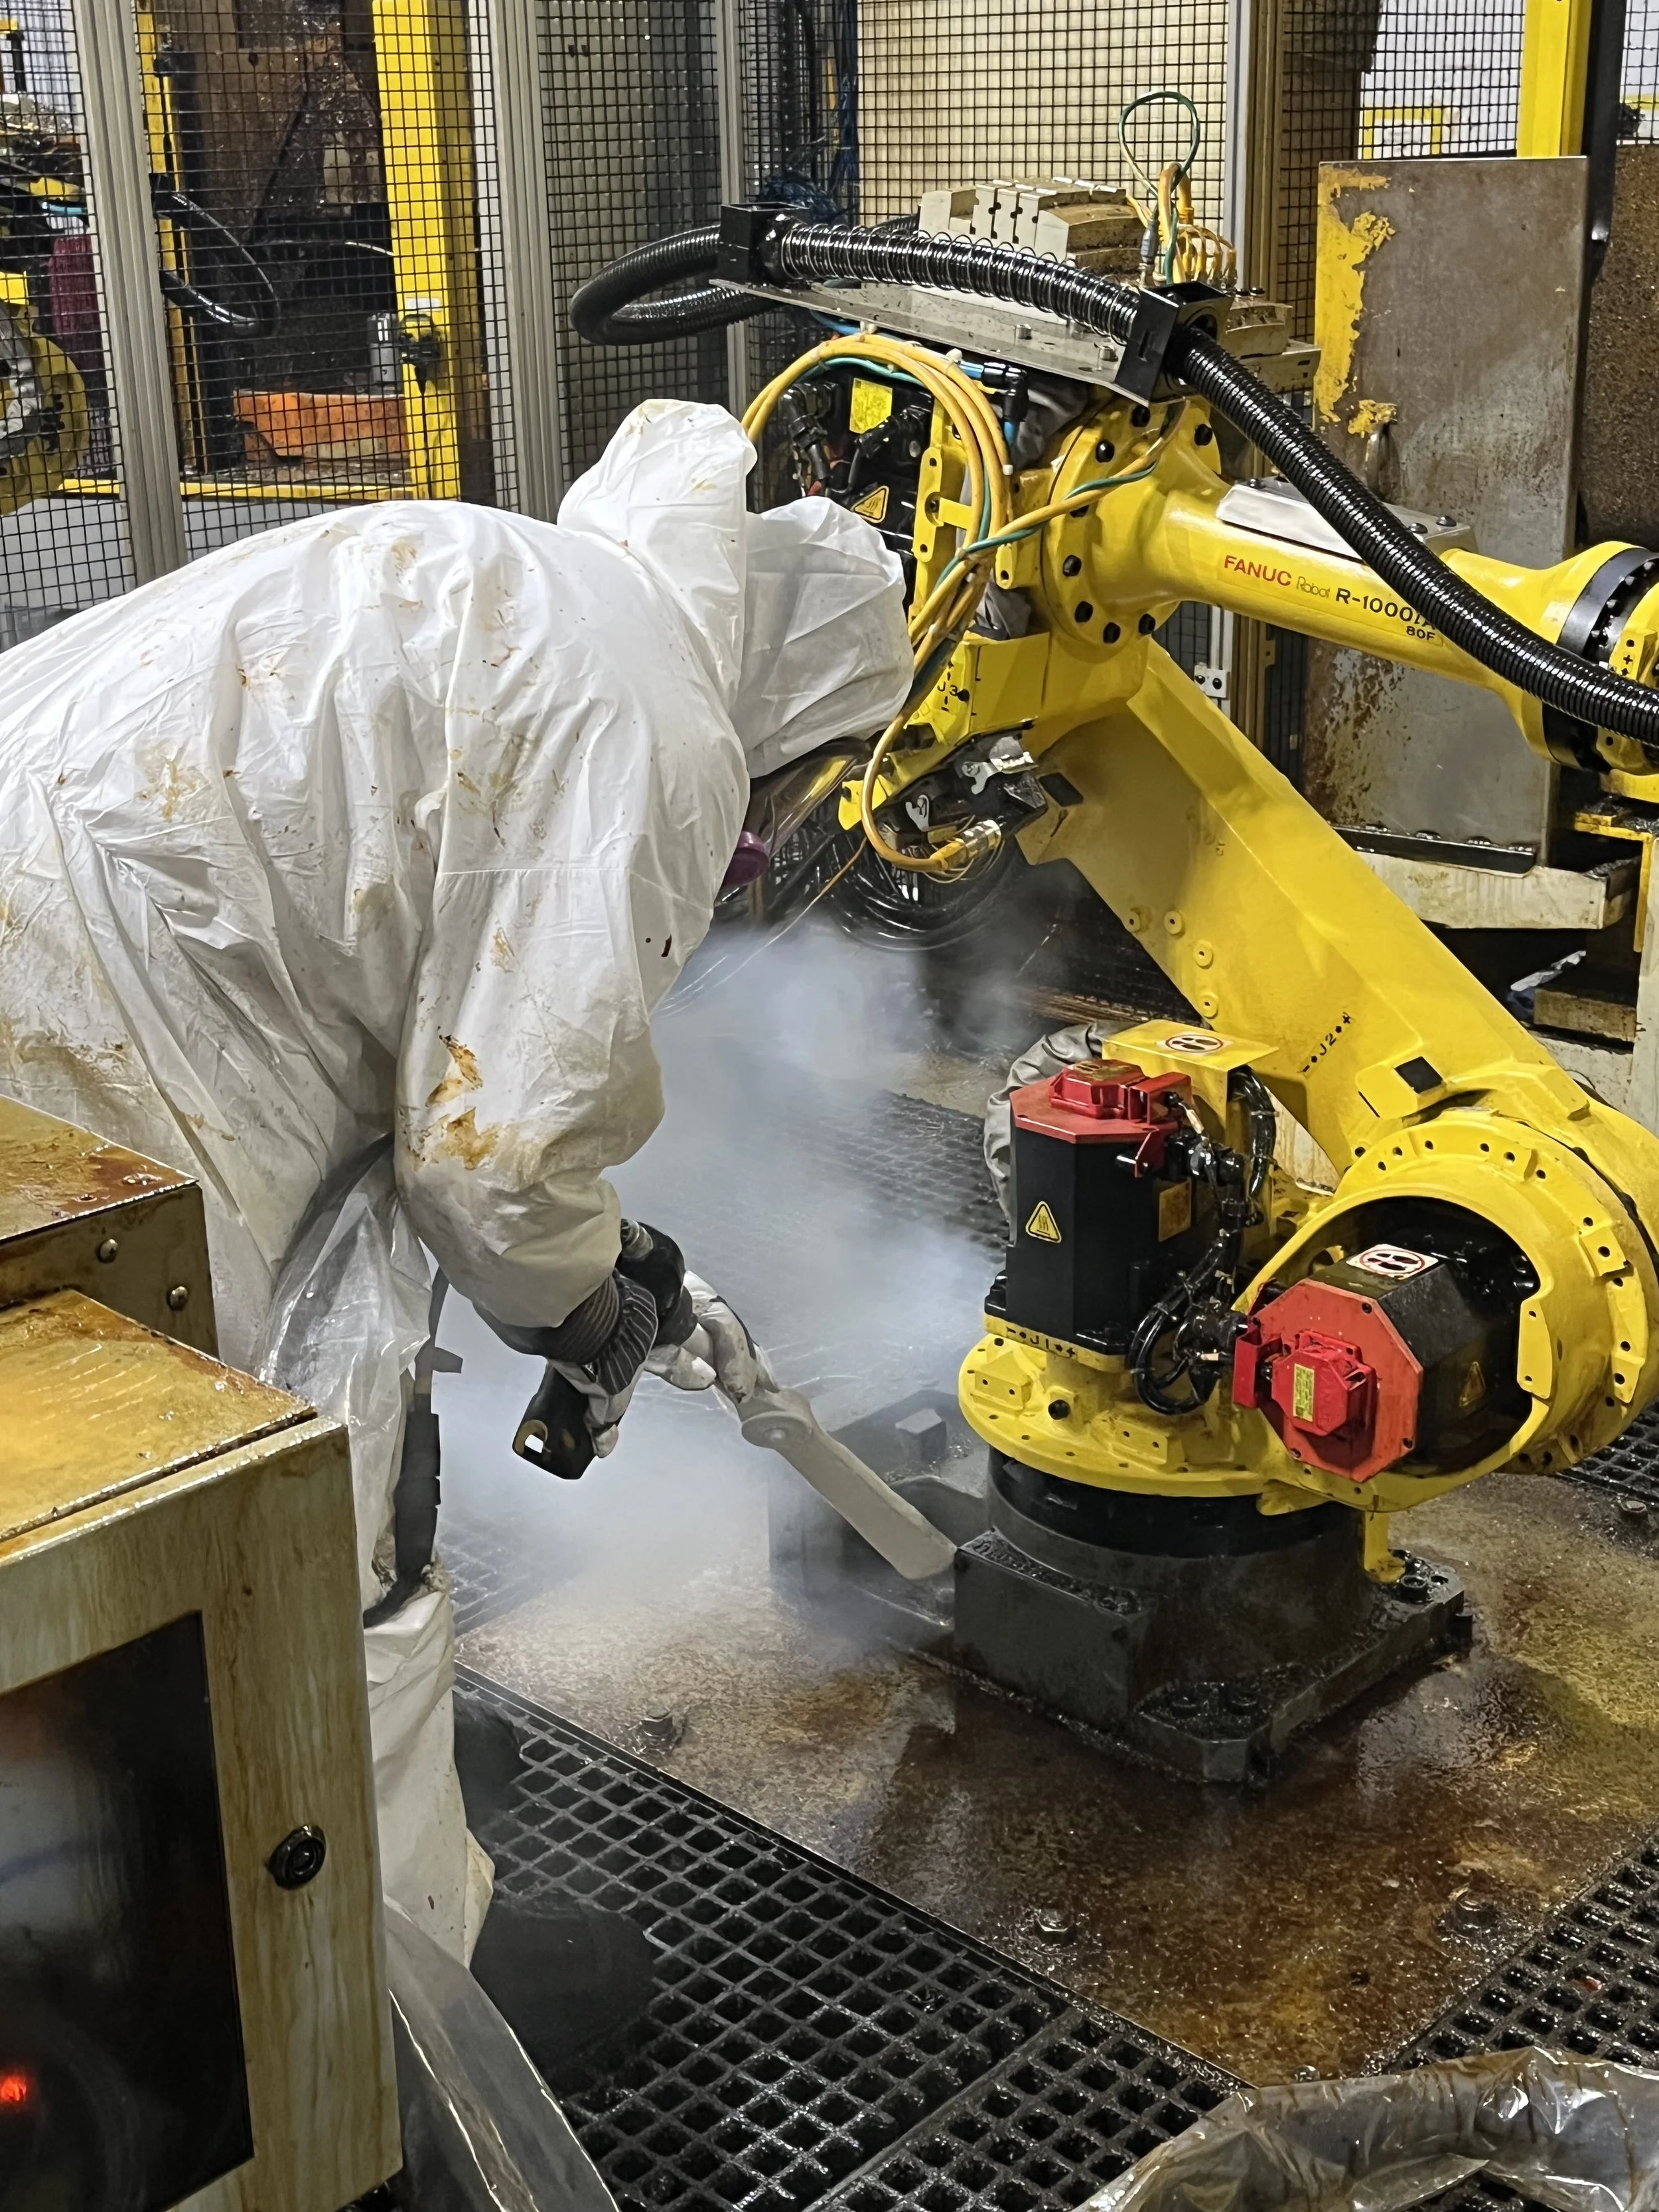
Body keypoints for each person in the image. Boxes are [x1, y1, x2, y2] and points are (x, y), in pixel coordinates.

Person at [0, 398, 910, 2074]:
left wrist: (612, 1266)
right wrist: (581, 1306)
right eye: (816, 772)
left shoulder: (519, 582)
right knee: (321, 1504)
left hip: (58, 968)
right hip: (108, 1047)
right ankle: (404, 1995)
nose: (785, 812)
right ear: (801, 704)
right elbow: (489, 1159)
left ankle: (229, 1833)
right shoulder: (659, 718)